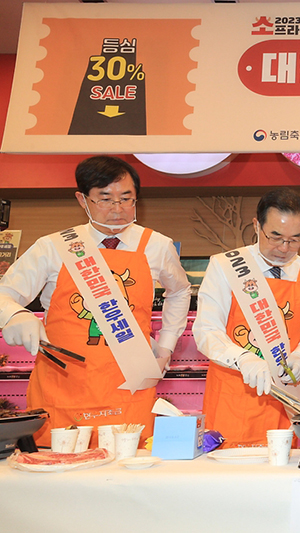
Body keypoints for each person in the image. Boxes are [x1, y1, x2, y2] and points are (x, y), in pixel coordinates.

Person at [0, 155, 191, 446]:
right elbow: (6, 293)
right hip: (64, 385)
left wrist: (166, 346)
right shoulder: (53, 246)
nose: (117, 209)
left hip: (129, 383)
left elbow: (179, 291)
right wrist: (15, 314)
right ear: (83, 199)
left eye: (126, 199)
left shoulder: (157, 246)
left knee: (128, 464)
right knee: (58, 464)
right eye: (105, 199)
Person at [193, 188, 300, 447]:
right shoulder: (226, 266)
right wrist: (242, 358)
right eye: (275, 237)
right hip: (233, 392)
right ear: (256, 226)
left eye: (294, 240)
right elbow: (206, 330)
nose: (284, 248)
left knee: (281, 462)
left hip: (284, 396)